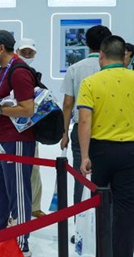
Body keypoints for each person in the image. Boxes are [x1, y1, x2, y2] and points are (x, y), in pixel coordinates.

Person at [78, 35, 134, 257]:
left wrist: (86, 154)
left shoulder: (90, 82)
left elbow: (85, 121)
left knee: (100, 203)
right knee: (125, 206)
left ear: (101, 56)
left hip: (101, 150)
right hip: (130, 150)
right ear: (124, 57)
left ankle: (102, 256)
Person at [0, 30, 37, 257]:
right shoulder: (4, 70)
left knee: (18, 190)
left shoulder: (19, 71)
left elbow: (27, 108)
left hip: (18, 139)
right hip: (1, 137)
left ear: (0, 48)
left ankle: (22, 242)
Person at [60, 25, 112, 206]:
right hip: (108, 130)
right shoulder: (114, 70)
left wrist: (64, 132)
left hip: (81, 129)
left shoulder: (75, 68)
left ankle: (81, 229)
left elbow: (68, 104)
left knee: (81, 179)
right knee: (108, 181)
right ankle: (106, 230)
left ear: (86, 43)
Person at [13, 38, 46, 218]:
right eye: (24, 51)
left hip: (29, 127)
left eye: (30, 52)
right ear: (17, 51)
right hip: (11, 129)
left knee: (34, 168)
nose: (27, 55)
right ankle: (16, 208)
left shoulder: (33, 74)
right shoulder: (10, 72)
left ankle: (34, 206)